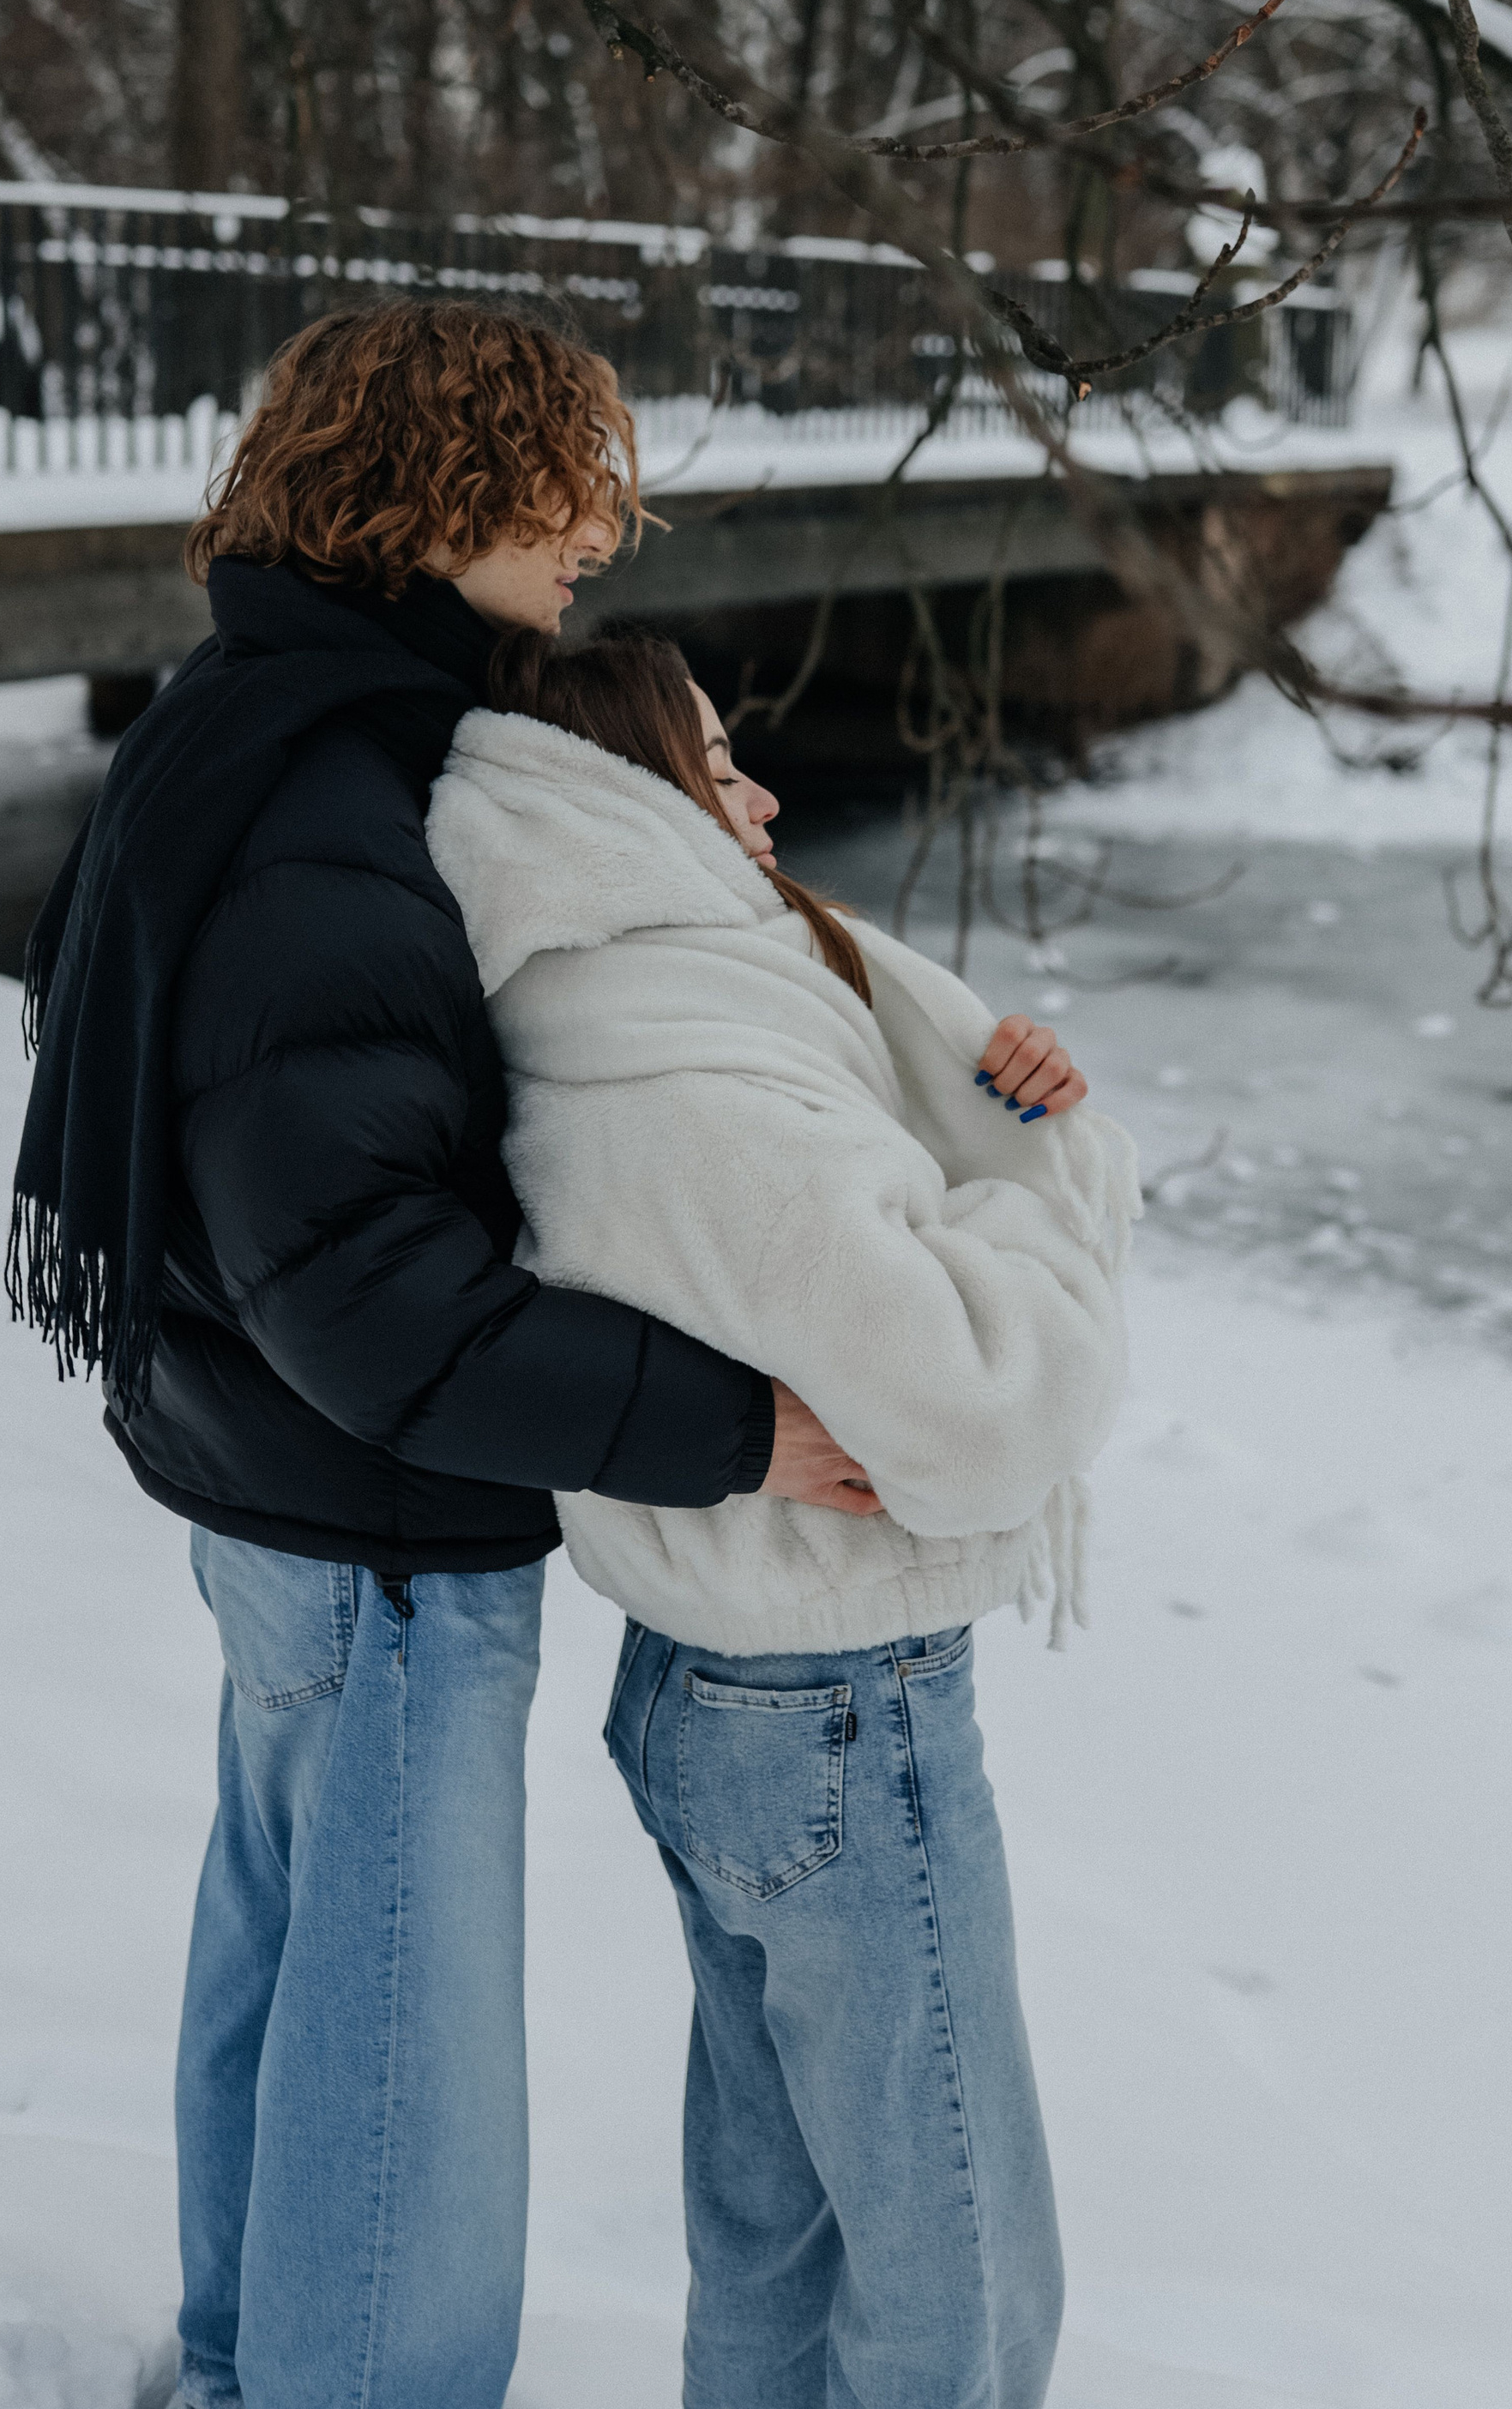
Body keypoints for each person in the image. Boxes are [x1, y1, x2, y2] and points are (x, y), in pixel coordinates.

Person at [6, 303, 872, 2409]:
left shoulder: (248, 710)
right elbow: (371, 1286)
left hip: (261, 1486)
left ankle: (238, 2363)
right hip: (373, 1523)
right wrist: (735, 1426)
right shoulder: (345, 781)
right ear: (436, 487)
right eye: (557, 476)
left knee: (293, 1964)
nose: (602, 525)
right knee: (401, 2058)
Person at [426, 624, 1137, 2409]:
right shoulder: (697, 1080)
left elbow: (860, 1214)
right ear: (619, 801)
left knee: (781, 2232)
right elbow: (976, 1393)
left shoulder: (603, 1005)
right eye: (712, 758)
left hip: (714, 1677)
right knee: (955, 2269)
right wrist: (1040, 1184)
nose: (753, 790)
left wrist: (1000, 1098)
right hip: (834, 1696)